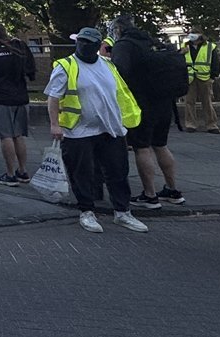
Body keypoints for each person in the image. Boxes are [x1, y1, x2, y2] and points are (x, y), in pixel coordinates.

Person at [45, 28, 149, 235]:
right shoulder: (66, 66)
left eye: (88, 43)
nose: (83, 46)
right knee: (82, 173)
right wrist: (55, 125)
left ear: (97, 45)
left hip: (110, 129)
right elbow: (53, 97)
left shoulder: (108, 66)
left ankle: (122, 212)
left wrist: (124, 123)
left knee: (118, 171)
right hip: (78, 131)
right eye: (81, 42)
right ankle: (86, 211)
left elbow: (119, 94)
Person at [111, 14, 186, 208]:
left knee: (142, 147)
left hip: (141, 104)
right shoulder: (152, 42)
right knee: (161, 145)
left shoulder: (125, 45)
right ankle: (172, 190)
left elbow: (118, 73)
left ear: (118, 29)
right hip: (164, 103)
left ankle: (150, 195)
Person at [0, 23, 35, 188]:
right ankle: (23, 171)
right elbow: (30, 71)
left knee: (6, 136)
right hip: (21, 96)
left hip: (3, 99)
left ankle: (10, 174)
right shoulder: (20, 46)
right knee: (18, 135)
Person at [183, 31, 220, 133]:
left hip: (205, 77)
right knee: (189, 102)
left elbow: (215, 62)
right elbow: (180, 60)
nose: (191, 36)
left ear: (200, 35)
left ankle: (211, 125)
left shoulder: (210, 47)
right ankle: (190, 124)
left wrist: (213, 77)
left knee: (207, 102)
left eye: (194, 33)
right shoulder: (185, 46)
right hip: (190, 78)